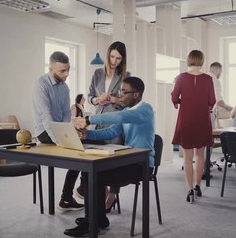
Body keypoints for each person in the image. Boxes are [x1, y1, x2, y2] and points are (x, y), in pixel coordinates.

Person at [64, 76, 155, 237]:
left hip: (142, 164)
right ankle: (97, 219)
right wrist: (87, 134)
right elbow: (112, 131)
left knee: (94, 175)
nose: (120, 95)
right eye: (120, 91)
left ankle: (92, 222)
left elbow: (120, 117)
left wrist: (89, 119)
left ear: (136, 95)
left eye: (124, 92)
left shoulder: (145, 110)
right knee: (90, 172)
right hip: (127, 160)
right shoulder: (127, 110)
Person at [31, 51, 84, 211]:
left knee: (82, 151)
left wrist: (70, 131)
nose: (66, 74)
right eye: (62, 71)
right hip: (44, 131)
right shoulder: (40, 85)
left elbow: (67, 113)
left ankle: (69, 196)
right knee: (77, 154)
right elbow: (45, 116)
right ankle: (68, 197)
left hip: (60, 129)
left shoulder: (65, 87)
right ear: (51, 68)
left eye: (68, 69)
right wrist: (60, 140)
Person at [87, 41, 130, 212]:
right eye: (112, 56)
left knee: (113, 162)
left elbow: (126, 101)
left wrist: (111, 99)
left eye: (118, 58)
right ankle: (102, 193)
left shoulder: (126, 76)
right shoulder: (97, 74)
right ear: (107, 54)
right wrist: (97, 99)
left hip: (115, 121)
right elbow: (90, 96)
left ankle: (112, 196)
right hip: (98, 120)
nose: (114, 61)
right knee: (97, 159)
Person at [171, 50, 216, 204]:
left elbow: (174, 96)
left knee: (188, 157)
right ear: (202, 61)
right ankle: (198, 186)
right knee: (200, 155)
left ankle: (189, 189)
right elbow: (212, 100)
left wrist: (178, 103)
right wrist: (205, 107)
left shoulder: (182, 77)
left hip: (186, 119)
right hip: (202, 119)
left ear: (188, 60)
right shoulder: (208, 79)